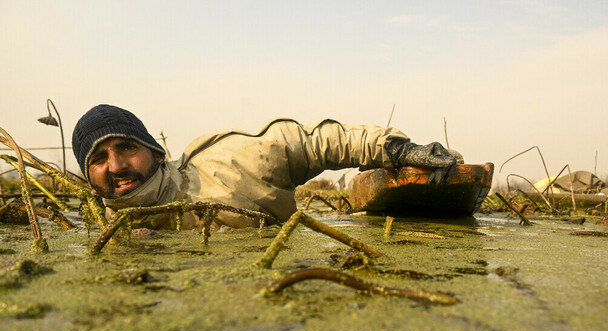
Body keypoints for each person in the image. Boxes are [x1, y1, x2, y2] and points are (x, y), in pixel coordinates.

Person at [72, 104, 462, 228]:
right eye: (99, 159)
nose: (117, 164)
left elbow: (313, 142)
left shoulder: (229, 160)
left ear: (157, 153)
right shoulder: (107, 230)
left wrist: (394, 149)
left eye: (126, 148)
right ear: (88, 175)